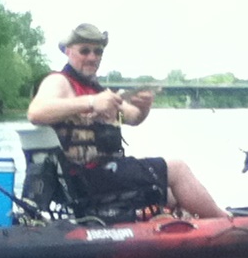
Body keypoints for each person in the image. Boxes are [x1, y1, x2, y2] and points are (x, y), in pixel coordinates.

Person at [27, 23, 228, 220]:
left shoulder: (99, 91)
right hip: (86, 179)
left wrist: (143, 107)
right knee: (177, 169)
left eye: (97, 52)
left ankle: (195, 228)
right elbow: (36, 113)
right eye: (85, 51)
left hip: (102, 176)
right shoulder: (59, 82)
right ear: (69, 52)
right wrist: (90, 102)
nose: (92, 57)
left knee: (171, 194)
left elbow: (130, 118)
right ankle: (227, 221)